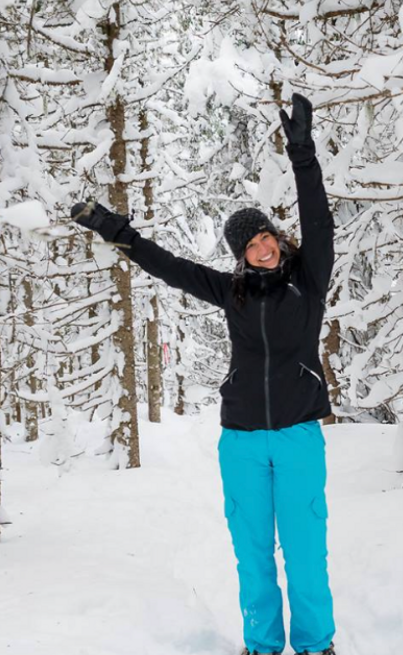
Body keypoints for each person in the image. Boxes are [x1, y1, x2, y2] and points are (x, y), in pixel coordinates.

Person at [70, 94, 336, 655]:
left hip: (297, 437)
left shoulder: (308, 280)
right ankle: (262, 646)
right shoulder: (231, 292)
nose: (262, 249)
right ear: (240, 257)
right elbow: (172, 269)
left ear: (277, 237)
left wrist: (303, 155)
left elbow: (318, 216)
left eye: (265, 237)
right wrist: (122, 236)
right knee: (253, 555)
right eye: (250, 245)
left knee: (306, 550)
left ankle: (315, 646)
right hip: (239, 441)